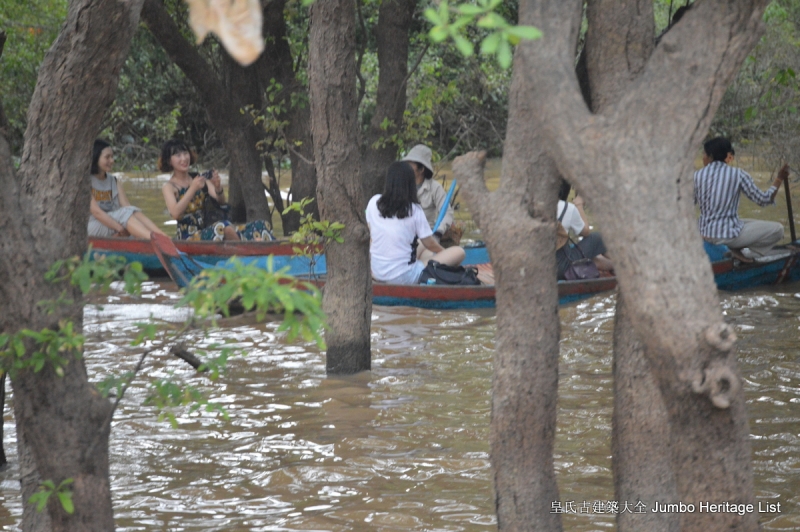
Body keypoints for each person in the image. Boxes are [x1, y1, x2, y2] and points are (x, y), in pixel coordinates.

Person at [366, 161, 466, 284]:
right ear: (410, 184)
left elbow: (371, 236)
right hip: (403, 277)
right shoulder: (414, 209)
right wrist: (444, 253)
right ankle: (429, 266)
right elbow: (430, 243)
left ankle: (427, 263)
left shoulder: (373, 202)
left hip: (376, 272)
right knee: (459, 252)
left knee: (425, 249)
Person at [159, 139, 274, 241]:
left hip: (209, 229)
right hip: (189, 237)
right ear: (169, 161)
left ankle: (268, 250)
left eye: (185, 153)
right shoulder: (169, 187)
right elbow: (175, 213)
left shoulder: (199, 178)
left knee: (261, 225)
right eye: (178, 156)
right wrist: (193, 188)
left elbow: (221, 201)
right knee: (223, 227)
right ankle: (247, 252)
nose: (184, 158)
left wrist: (218, 187)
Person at [694, 137, 788, 261]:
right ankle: (739, 250)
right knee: (778, 230)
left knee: (739, 221)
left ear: (711, 156)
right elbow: (763, 200)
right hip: (727, 236)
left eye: (704, 154)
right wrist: (779, 179)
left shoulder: (696, 176)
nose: (703, 157)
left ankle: (734, 249)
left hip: (705, 234)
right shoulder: (738, 174)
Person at [89, 139, 167, 239]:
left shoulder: (114, 181)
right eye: (107, 157)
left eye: (112, 157)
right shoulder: (86, 182)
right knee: (126, 216)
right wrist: (120, 229)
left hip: (113, 222)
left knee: (132, 212)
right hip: (94, 225)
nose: (112, 161)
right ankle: (155, 240)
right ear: (96, 158)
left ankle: (163, 237)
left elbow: (127, 208)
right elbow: (97, 213)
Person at [401, 144, 462, 243]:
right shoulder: (401, 185)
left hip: (425, 236)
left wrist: (438, 232)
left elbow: (447, 213)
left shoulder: (435, 188)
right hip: (404, 234)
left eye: (410, 165)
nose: (406, 168)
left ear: (421, 169)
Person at [556, 181, 613, 279]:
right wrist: (579, 205)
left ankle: (614, 266)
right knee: (598, 239)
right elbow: (585, 232)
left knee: (594, 258)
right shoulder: (567, 208)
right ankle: (619, 267)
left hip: (544, 264)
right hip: (562, 267)